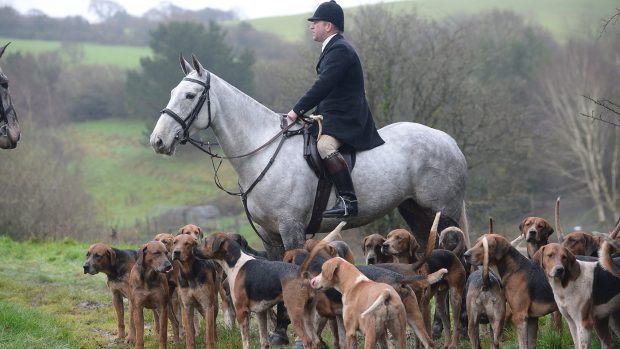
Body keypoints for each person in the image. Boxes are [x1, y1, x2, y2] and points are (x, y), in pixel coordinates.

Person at [287, 0, 384, 218]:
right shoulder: (333, 48)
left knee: (324, 146)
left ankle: (348, 199)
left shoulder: (339, 49)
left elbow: (323, 85)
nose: (311, 26)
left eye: (316, 22)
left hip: (348, 116)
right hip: (334, 113)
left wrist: (296, 111)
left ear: (328, 26)